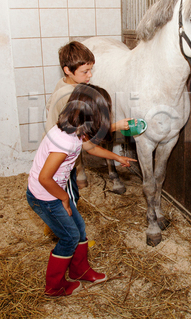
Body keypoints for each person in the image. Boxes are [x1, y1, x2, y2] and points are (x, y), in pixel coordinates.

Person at [27, 84, 137, 296]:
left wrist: (117, 157)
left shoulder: (74, 130)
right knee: (69, 238)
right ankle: (54, 286)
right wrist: (64, 199)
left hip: (54, 193)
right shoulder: (64, 141)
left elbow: (89, 147)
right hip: (46, 196)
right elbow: (44, 178)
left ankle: (80, 270)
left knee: (79, 229)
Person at [45, 41, 132, 191]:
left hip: (56, 147)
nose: (90, 75)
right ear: (67, 70)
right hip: (61, 157)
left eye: (91, 70)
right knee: (65, 195)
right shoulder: (71, 95)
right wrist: (117, 126)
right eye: (85, 71)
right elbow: (87, 134)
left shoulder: (62, 84)